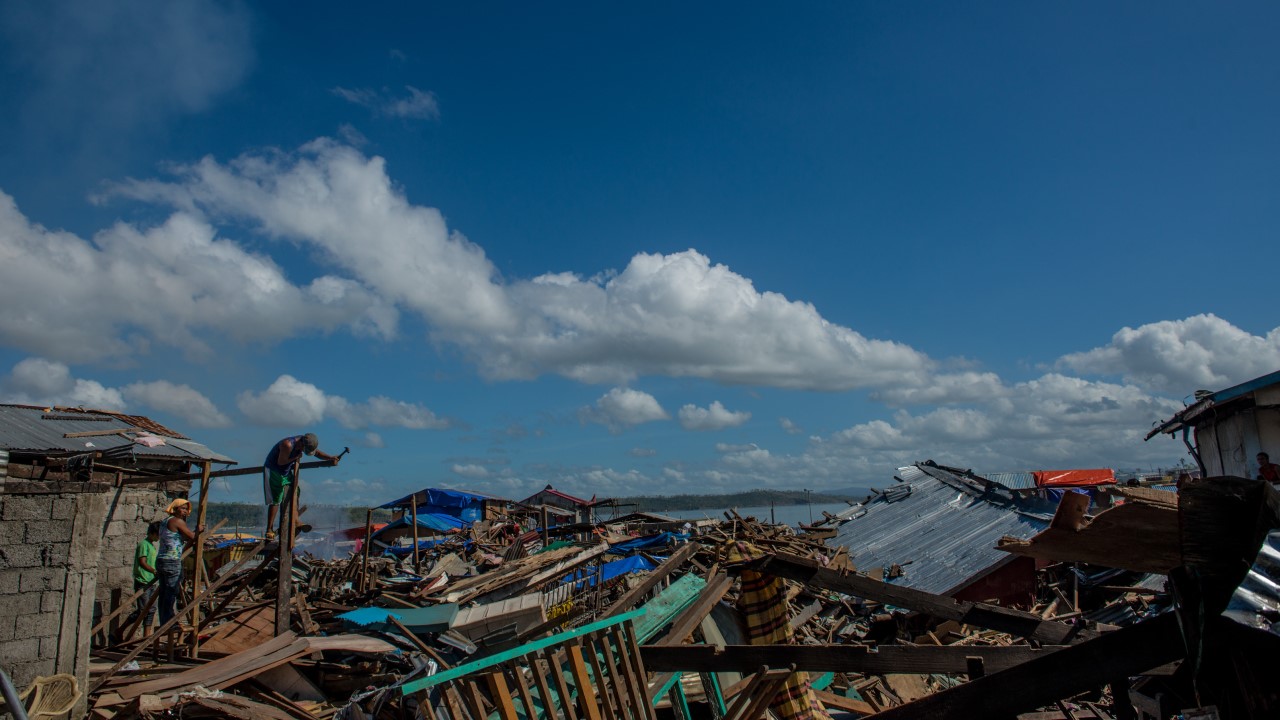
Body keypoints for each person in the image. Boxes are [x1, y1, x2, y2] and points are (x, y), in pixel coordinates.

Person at [263, 433, 340, 539]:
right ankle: (269, 529)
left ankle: (296, 520)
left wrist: (330, 458)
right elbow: (281, 462)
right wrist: (296, 457)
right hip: (274, 470)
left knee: (295, 491)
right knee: (276, 499)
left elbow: (316, 453)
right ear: (302, 445)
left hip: (285, 471)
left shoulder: (304, 442)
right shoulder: (288, 445)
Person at [156, 499, 202, 626]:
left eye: (186, 509)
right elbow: (193, 536)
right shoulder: (177, 521)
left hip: (162, 559)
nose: (185, 511)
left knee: (164, 592)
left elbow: (178, 542)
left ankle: (164, 619)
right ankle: (169, 620)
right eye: (182, 508)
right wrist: (198, 530)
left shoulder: (165, 522)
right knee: (171, 591)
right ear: (175, 509)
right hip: (171, 560)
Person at [123, 522, 160, 638]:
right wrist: (154, 571)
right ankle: (121, 630)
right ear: (153, 533)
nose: (159, 537)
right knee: (143, 611)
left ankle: (146, 636)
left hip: (151, 581)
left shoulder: (152, 546)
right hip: (143, 581)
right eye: (158, 535)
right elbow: (142, 562)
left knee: (151, 609)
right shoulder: (144, 544)